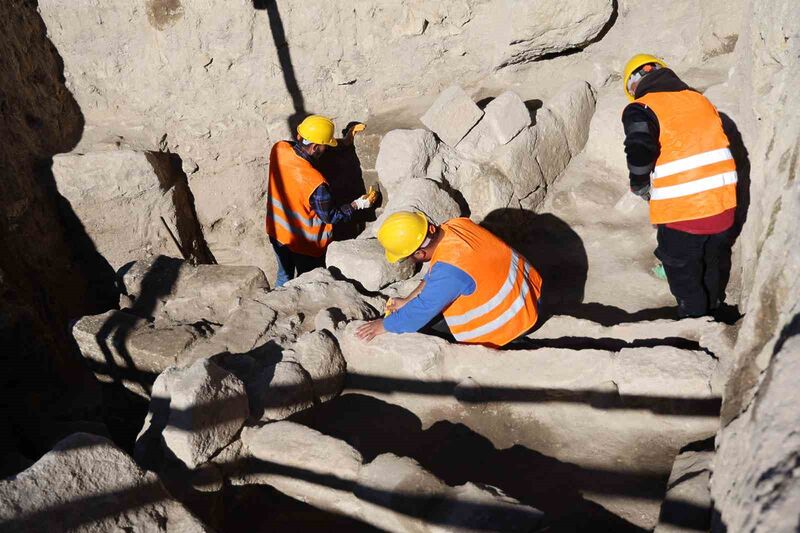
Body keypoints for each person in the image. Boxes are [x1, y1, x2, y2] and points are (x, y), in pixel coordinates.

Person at [621, 54, 737, 318]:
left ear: (633, 87)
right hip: (723, 206)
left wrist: (639, 183)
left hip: (684, 213)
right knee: (710, 259)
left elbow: (639, 148)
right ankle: (714, 306)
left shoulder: (642, 108)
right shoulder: (699, 99)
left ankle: (695, 320)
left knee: (682, 269)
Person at [356, 211, 543, 348]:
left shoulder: (450, 270)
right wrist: (407, 300)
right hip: (532, 291)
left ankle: (516, 343)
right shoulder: (455, 226)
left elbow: (419, 313)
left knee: (427, 330)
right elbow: (435, 275)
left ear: (420, 253)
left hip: (514, 319)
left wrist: (383, 325)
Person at [266, 115, 375, 286]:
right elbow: (330, 217)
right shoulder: (315, 182)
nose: (325, 149)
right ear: (316, 147)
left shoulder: (279, 149)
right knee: (307, 284)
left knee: (284, 277)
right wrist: (358, 204)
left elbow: (305, 147)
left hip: (278, 232)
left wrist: (343, 143)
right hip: (305, 246)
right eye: (325, 146)